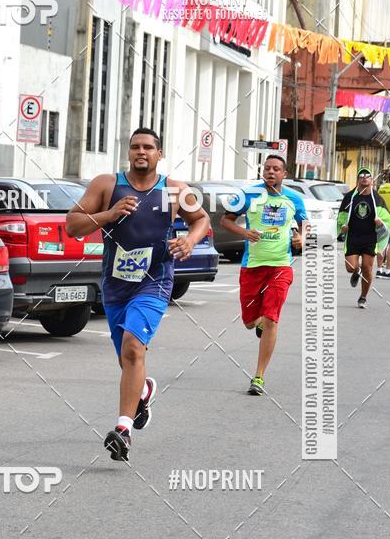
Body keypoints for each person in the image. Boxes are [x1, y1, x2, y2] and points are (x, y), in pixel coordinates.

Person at [65, 127, 209, 461]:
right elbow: (72, 226)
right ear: (128, 153)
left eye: (148, 147)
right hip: (115, 286)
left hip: (154, 281)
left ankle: (123, 431)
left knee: (133, 348)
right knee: (127, 359)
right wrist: (108, 215)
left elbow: (201, 219)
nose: (140, 152)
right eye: (134, 147)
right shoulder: (106, 185)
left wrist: (189, 240)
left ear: (159, 154)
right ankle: (143, 390)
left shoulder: (174, 191)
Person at [220, 155, 307, 396]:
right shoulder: (248, 195)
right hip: (252, 266)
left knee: (271, 319)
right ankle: (257, 323)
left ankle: (258, 376)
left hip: (281, 265)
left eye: (276, 169)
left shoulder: (294, 199)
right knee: (250, 322)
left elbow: (303, 224)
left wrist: (301, 238)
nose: (270, 172)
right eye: (267, 168)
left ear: (284, 173)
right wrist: (244, 232)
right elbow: (225, 221)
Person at [337, 167, 390, 308]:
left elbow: (387, 218)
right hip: (353, 236)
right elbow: (341, 216)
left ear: (371, 180)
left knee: (368, 267)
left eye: (367, 176)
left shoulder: (377, 199)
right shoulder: (349, 197)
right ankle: (356, 270)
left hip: (370, 237)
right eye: (362, 176)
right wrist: (343, 227)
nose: (364, 178)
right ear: (358, 179)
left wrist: (381, 223)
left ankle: (363, 297)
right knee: (350, 267)